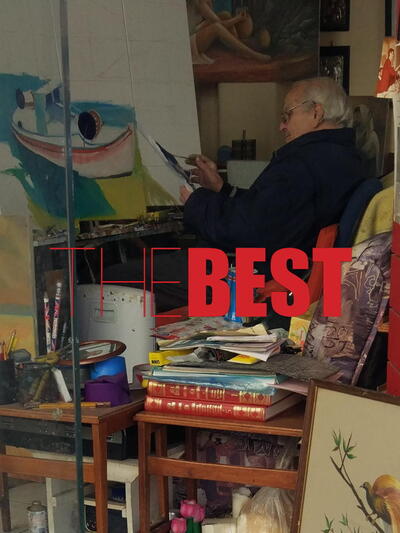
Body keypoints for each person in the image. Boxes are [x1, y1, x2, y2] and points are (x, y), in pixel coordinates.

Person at [104, 77, 365, 312]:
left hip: (251, 276)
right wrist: (222, 189)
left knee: (113, 279)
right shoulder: (345, 158)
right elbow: (272, 213)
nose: (281, 125)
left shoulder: (301, 164)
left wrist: (196, 201)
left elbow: (245, 231)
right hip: (284, 268)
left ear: (316, 113)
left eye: (287, 115)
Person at [187, 0, 270, 64]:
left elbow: (215, 20)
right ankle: (251, 54)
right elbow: (220, 24)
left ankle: (239, 48)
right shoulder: (200, 2)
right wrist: (237, 19)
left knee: (225, 15)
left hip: (195, 31)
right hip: (189, 42)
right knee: (217, 27)